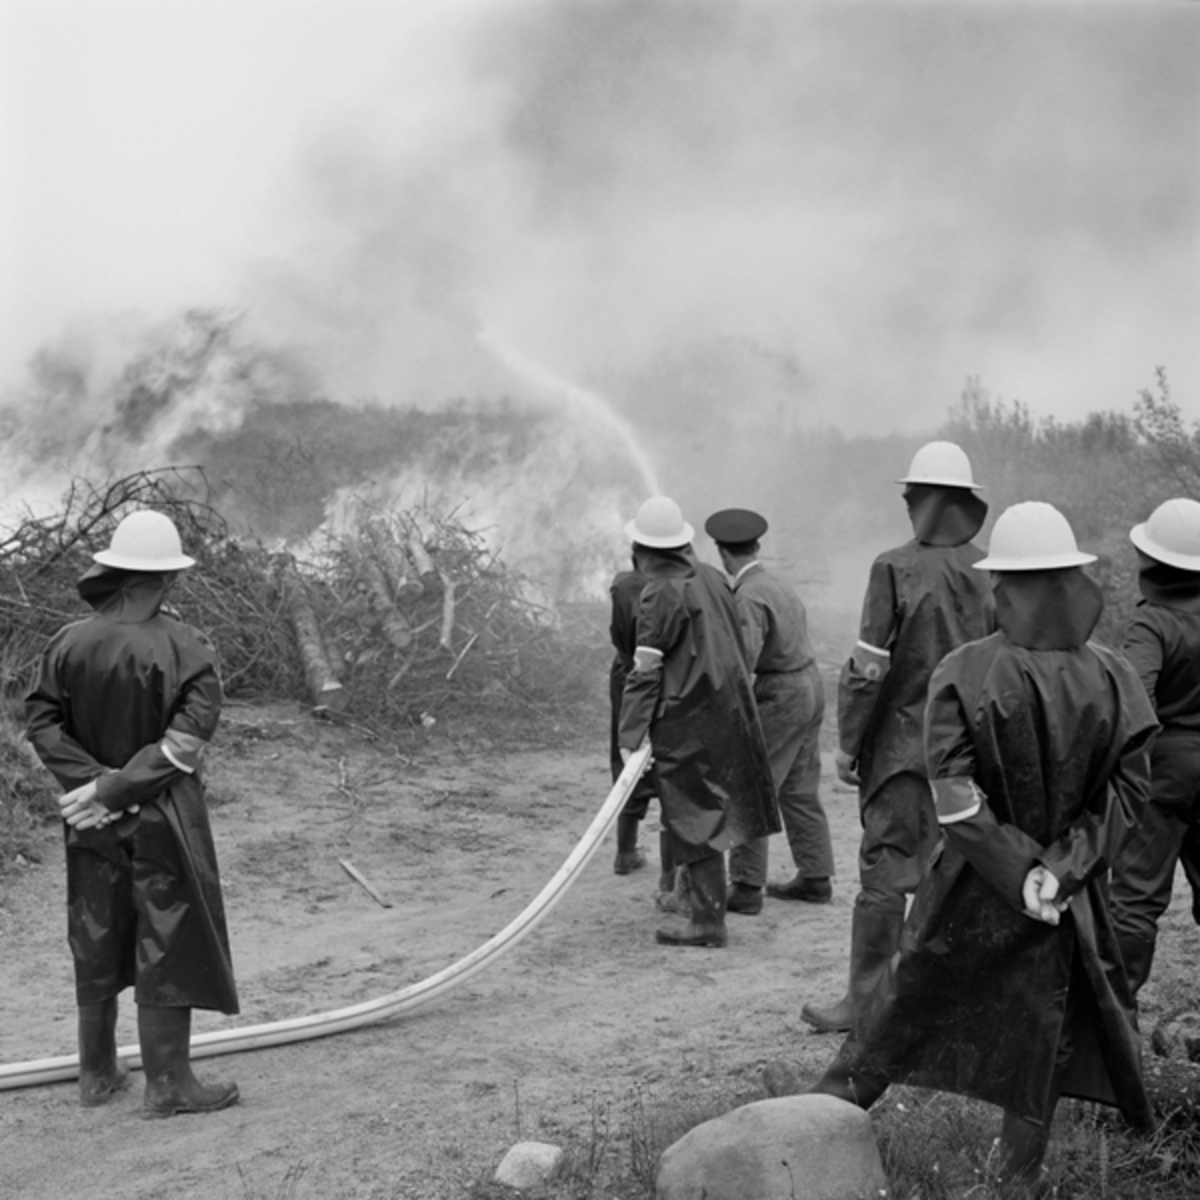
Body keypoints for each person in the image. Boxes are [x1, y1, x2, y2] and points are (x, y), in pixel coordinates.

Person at [809, 501, 1157, 1194]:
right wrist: (1057, 873)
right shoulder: (1115, 674)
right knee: (1042, 1033)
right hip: (1063, 897)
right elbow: (1129, 795)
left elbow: (956, 799)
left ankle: (816, 1117)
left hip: (970, 882)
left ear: (1002, 585)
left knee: (908, 998)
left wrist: (1015, 868)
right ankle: (1015, 1179)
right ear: (1073, 581)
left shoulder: (964, 671)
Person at [25, 509, 240, 1117]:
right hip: (163, 816)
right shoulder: (188, 647)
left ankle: (96, 1073)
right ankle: (168, 1085)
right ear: (169, 579)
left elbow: (40, 721)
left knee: (97, 927)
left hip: (88, 817)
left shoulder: (66, 643)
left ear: (114, 570)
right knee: (167, 934)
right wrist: (115, 789)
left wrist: (90, 788)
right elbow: (184, 745)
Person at [803, 441, 994, 1033]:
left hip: (902, 750)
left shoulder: (893, 567)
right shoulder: (991, 569)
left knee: (886, 870)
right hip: (972, 754)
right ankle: (948, 1004)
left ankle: (867, 1003)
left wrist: (849, 743)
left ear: (921, 500)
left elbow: (867, 668)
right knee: (959, 874)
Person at [616, 496, 778, 947]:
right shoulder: (711, 576)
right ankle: (703, 906)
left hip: (688, 715)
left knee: (695, 816)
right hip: (729, 706)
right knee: (716, 809)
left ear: (644, 549)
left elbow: (646, 670)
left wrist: (630, 735)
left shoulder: (660, 592)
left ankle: (707, 922)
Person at [704, 508, 835, 915]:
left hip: (781, 691)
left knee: (749, 785)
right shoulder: (776, 583)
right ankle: (815, 876)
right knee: (798, 787)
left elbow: (742, 661)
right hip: (810, 685)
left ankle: (744, 886)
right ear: (756, 546)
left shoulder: (747, 596)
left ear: (723, 554)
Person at [1109, 497, 1200, 996]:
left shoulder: (1152, 623)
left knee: (1136, 896)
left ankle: (1114, 1020)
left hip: (1163, 768)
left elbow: (1134, 700)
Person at [608, 555, 675, 898]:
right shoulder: (670, 588)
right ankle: (668, 875)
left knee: (627, 756)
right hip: (662, 677)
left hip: (625, 676)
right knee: (670, 767)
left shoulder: (622, 584)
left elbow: (617, 633)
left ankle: (625, 851)